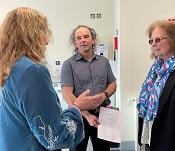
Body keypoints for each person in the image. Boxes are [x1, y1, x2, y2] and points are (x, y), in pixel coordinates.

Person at [0, 7, 104, 151]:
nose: (47, 42)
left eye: (86, 37)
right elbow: (54, 138)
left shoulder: (7, 68)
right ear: (33, 35)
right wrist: (77, 107)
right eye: (43, 34)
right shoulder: (33, 72)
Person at [137, 20, 175, 151]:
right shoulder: (156, 69)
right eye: (151, 40)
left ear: (174, 40)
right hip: (153, 138)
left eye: (158, 39)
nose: (153, 44)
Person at [61, 25, 117, 151]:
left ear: (93, 40)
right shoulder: (68, 65)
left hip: (103, 115)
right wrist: (87, 116)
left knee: (104, 149)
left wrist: (104, 95)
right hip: (79, 117)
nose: (83, 40)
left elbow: (113, 84)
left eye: (86, 36)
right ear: (75, 43)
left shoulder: (103, 62)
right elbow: (67, 94)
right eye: (79, 38)